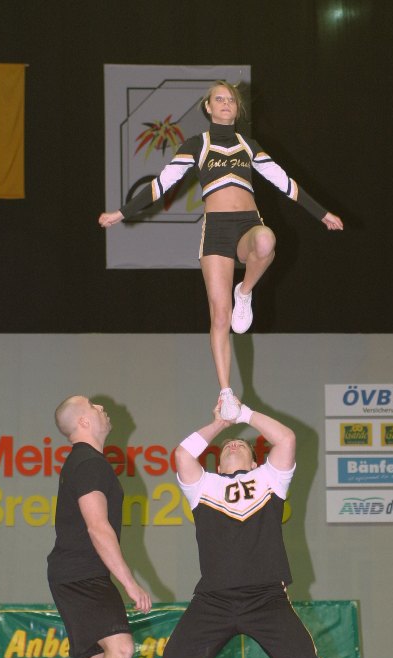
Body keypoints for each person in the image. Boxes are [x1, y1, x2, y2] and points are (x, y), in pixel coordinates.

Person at [99, 81, 343, 422]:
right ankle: (226, 392)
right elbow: (160, 184)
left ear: (237, 109)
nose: (226, 103)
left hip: (247, 224)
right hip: (215, 231)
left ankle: (245, 291)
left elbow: (285, 182)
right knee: (219, 315)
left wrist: (322, 213)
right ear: (208, 107)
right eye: (219, 98)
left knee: (266, 240)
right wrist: (121, 213)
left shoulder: (248, 145)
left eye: (231, 99)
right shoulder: (196, 145)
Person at [146, 395, 344, 658]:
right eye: (226, 446)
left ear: (256, 462)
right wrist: (221, 422)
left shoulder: (270, 479)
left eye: (242, 444)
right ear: (217, 464)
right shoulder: (202, 486)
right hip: (213, 600)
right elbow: (182, 455)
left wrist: (245, 413)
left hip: (266, 598)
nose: (234, 444)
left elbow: (286, 439)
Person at [43, 395, 152, 658]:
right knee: (120, 648)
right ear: (83, 422)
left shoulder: (81, 462)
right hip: (83, 573)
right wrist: (129, 583)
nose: (103, 408)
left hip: (70, 571)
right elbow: (97, 527)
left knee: (94, 655)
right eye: (93, 406)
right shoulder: (90, 463)